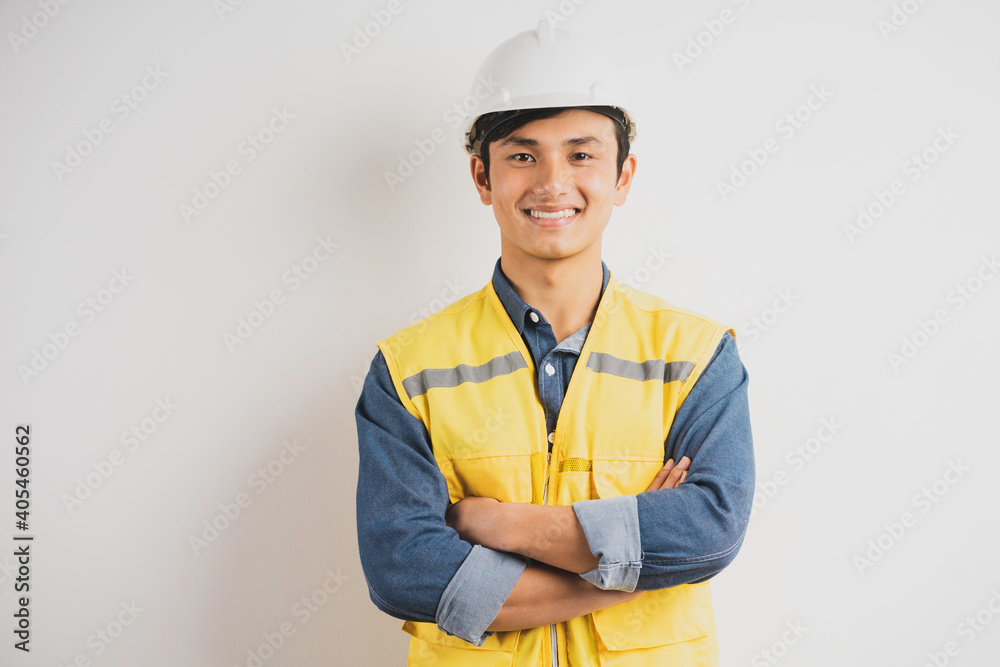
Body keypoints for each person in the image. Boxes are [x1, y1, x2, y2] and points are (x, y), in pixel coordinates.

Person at [355, 22, 755, 666]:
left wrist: (494, 524)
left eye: (580, 153)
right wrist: (632, 564)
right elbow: (403, 572)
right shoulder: (408, 369)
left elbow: (708, 533)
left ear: (622, 176)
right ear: (482, 178)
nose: (551, 182)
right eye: (521, 154)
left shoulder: (696, 355)